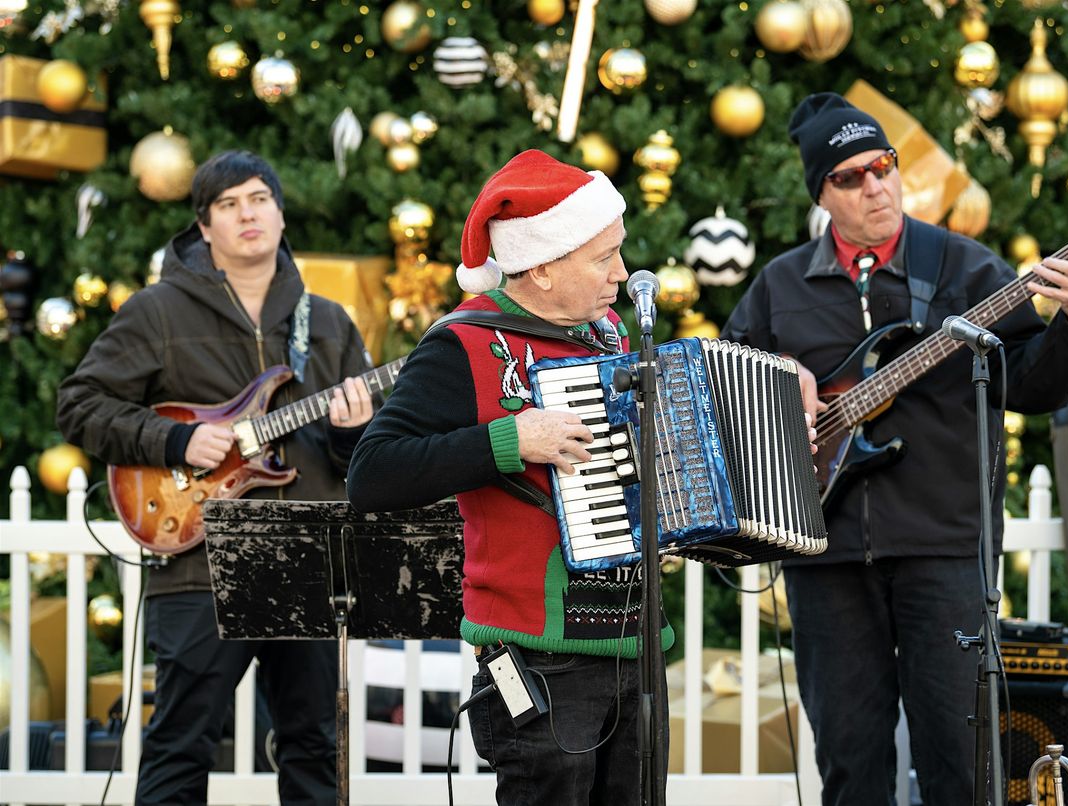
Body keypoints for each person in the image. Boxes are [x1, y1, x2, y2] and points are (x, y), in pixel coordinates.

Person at [721, 93, 1068, 805]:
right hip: (825, 555)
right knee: (849, 762)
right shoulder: (779, 286)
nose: (875, 186)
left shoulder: (965, 268)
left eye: (884, 166)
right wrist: (783, 386)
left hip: (945, 547)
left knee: (960, 761)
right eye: (851, 176)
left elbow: (1031, 388)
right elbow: (728, 388)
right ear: (822, 194)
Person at [347, 149, 673, 805]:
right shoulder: (462, 344)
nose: (622, 272)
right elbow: (373, 474)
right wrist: (511, 438)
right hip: (536, 654)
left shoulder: (612, 335)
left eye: (619, 252)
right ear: (545, 268)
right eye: (602, 257)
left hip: (635, 643)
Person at [57, 150, 374, 805]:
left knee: (314, 751)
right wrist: (176, 438)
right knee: (180, 747)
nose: (246, 214)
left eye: (258, 198)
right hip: (201, 560)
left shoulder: (331, 324)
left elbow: (362, 461)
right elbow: (80, 404)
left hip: (303, 560)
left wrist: (351, 433)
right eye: (227, 205)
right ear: (204, 228)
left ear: (281, 215)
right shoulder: (158, 312)